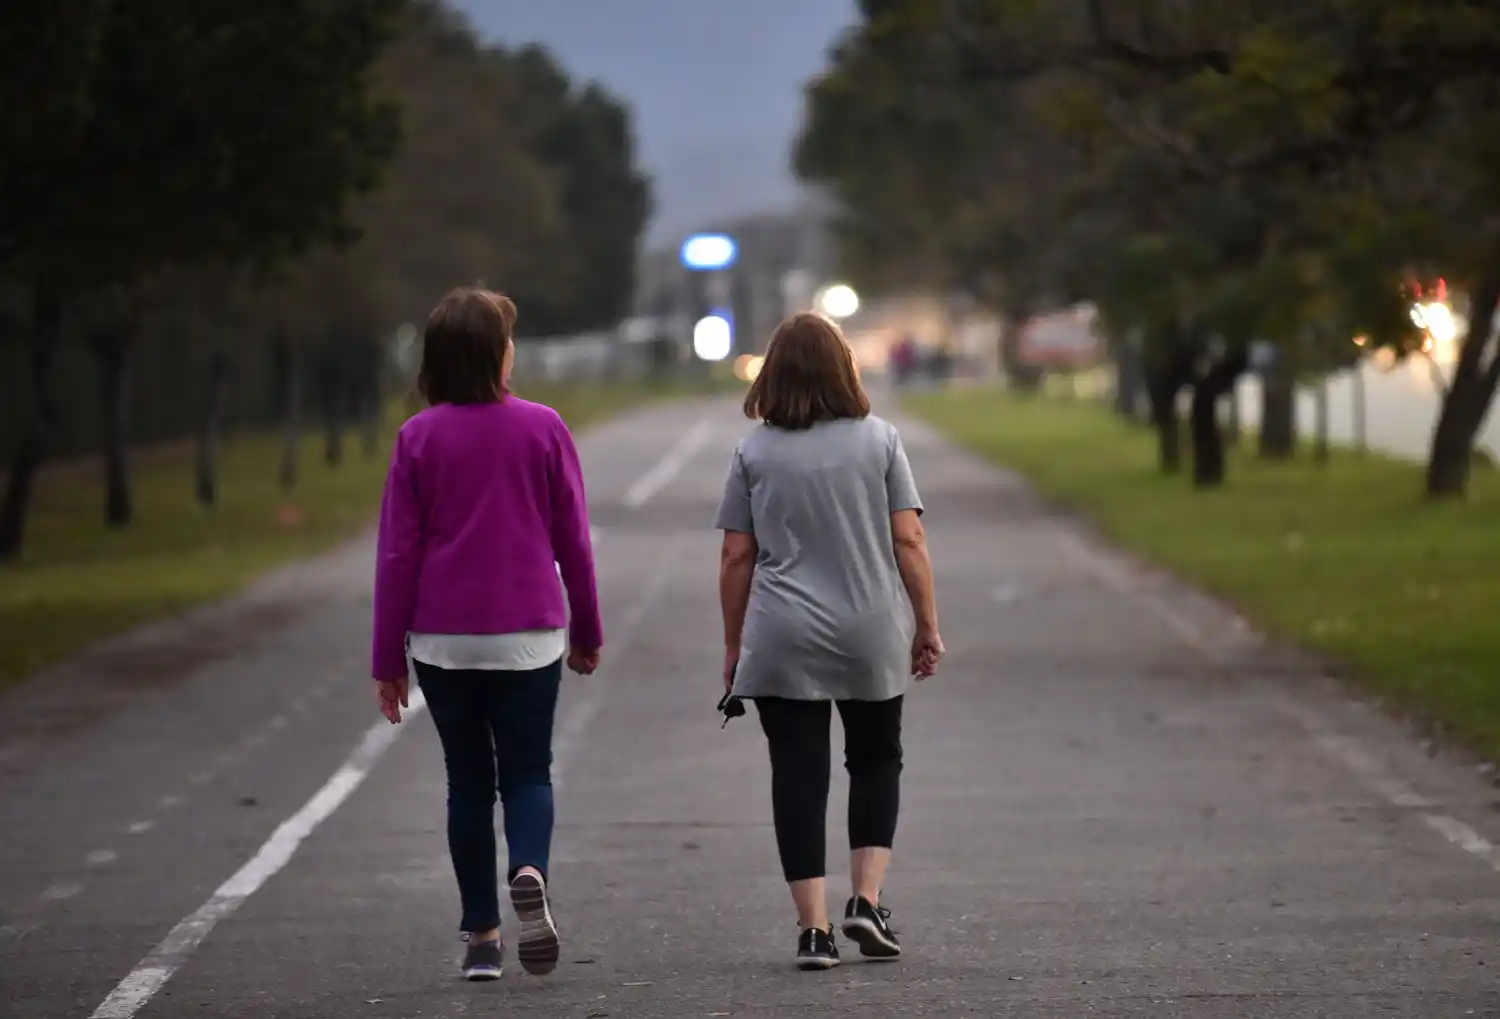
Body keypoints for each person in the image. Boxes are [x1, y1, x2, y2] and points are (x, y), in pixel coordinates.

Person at [371, 287, 603, 982]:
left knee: (467, 781)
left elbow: (397, 555)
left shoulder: (417, 438)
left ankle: (482, 937)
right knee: (528, 770)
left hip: (443, 637)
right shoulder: (543, 427)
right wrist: (588, 628)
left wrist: (388, 659)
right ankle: (528, 867)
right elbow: (573, 541)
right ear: (499, 355)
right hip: (528, 631)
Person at [716, 311, 944, 971]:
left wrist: (733, 644)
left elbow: (736, 554)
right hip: (869, 629)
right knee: (875, 760)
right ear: (844, 369)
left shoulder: (754, 451)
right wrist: (927, 623)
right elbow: (909, 539)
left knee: (798, 774)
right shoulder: (880, 441)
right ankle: (866, 900)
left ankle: (813, 929)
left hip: (782, 634)